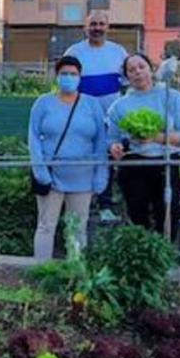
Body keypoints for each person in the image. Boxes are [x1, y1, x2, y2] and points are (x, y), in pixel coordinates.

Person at [28, 56, 108, 260]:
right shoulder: (43, 103)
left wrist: (101, 175)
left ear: (80, 77)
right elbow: (34, 137)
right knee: (46, 226)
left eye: (73, 74)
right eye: (64, 74)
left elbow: (101, 141)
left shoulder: (92, 104)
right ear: (56, 76)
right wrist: (40, 171)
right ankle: (42, 270)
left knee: (78, 229)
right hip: (51, 176)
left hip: (83, 178)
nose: (68, 78)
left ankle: (76, 274)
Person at [107, 53, 180, 231]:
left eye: (141, 67)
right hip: (134, 165)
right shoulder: (119, 106)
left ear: (151, 69)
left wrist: (155, 137)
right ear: (126, 76)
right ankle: (143, 254)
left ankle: (166, 255)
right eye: (131, 70)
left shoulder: (173, 97)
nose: (137, 72)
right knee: (137, 217)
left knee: (167, 217)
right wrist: (114, 147)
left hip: (166, 166)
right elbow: (112, 138)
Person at [64, 10, 128, 221]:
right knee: (83, 160)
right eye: (93, 24)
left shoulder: (119, 52)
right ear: (85, 27)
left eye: (101, 24)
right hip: (83, 118)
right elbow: (66, 84)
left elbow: (128, 85)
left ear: (108, 27)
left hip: (111, 121)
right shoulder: (74, 52)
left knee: (107, 161)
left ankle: (105, 204)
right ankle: (81, 201)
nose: (97, 28)